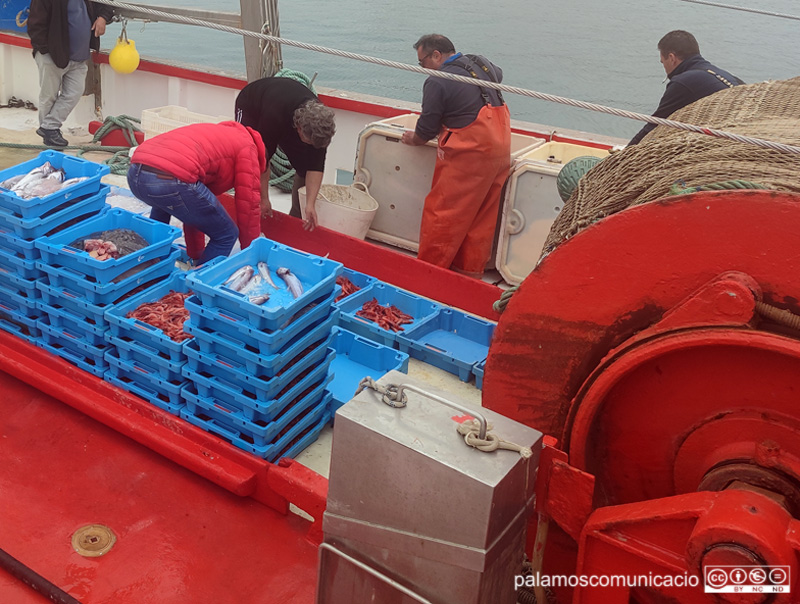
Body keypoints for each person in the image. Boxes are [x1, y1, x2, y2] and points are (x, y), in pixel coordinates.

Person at [401, 34, 511, 277]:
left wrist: (414, 139)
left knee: (443, 212)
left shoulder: (438, 81)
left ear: (436, 55)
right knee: (482, 215)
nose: (423, 69)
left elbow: (427, 128)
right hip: (501, 147)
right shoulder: (479, 62)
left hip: (471, 154)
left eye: (422, 63)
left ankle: (429, 272)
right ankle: (468, 272)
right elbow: (498, 75)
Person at [127, 121, 267, 265]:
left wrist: (195, 254)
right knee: (227, 234)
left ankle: (149, 268)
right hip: (170, 179)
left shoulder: (220, 134)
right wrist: (252, 255)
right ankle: (196, 284)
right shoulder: (248, 148)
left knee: (161, 214)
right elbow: (249, 207)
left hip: (135, 171)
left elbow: (194, 210)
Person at [234, 77, 336, 231]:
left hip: (289, 110)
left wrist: (309, 204)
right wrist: (264, 199)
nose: (310, 146)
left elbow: (316, 165)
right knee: (250, 154)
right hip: (252, 104)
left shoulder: (320, 126)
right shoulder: (274, 118)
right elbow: (262, 161)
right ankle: (250, 209)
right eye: (308, 141)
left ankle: (297, 214)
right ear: (299, 129)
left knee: (304, 163)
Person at [629, 30, 743, 146]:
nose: (664, 68)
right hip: (742, 133)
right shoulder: (731, 78)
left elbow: (654, 126)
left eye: (663, 62)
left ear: (672, 58)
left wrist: (623, 156)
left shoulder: (683, 82)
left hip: (727, 143)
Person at [27, 0, 114, 147]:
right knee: (49, 96)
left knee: (74, 92)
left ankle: (48, 127)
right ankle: (50, 136)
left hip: (80, 57)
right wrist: (45, 52)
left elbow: (107, 4)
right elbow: (35, 25)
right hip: (52, 56)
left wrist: (102, 18)